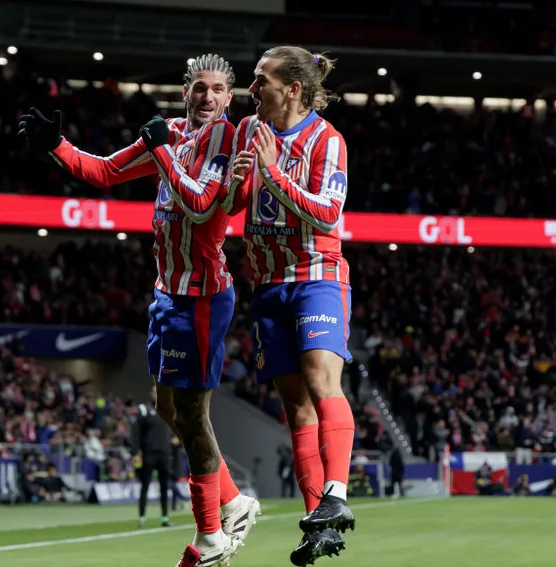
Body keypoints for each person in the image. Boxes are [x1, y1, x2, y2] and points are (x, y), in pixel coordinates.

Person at [18, 53, 259, 567]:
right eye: (199, 88)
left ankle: (211, 538)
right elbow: (104, 172)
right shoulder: (170, 132)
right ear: (186, 91)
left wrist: (164, 152)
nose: (208, 98)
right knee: (167, 408)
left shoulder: (229, 141)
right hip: (167, 294)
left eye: (218, 89)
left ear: (229, 98)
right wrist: (54, 145)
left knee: (193, 417)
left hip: (202, 298)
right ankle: (234, 500)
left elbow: (200, 204)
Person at [223, 45, 354, 565]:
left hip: (316, 274)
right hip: (267, 282)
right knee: (295, 406)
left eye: (261, 81)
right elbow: (236, 206)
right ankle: (316, 522)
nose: (251, 90)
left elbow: (326, 214)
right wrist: (236, 184)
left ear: (293, 89)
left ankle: (337, 495)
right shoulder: (246, 133)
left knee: (323, 380)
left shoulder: (327, 140)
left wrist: (274, 173)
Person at [133, 400, 174, 527]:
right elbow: (136, 432)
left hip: (163, 454)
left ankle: (165, 518)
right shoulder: (145, 410)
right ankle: (141, 518)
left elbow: (174, 428)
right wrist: (136, 453)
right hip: (148, 453)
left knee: (164, 487)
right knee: (145, 486)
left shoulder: (168, 410)